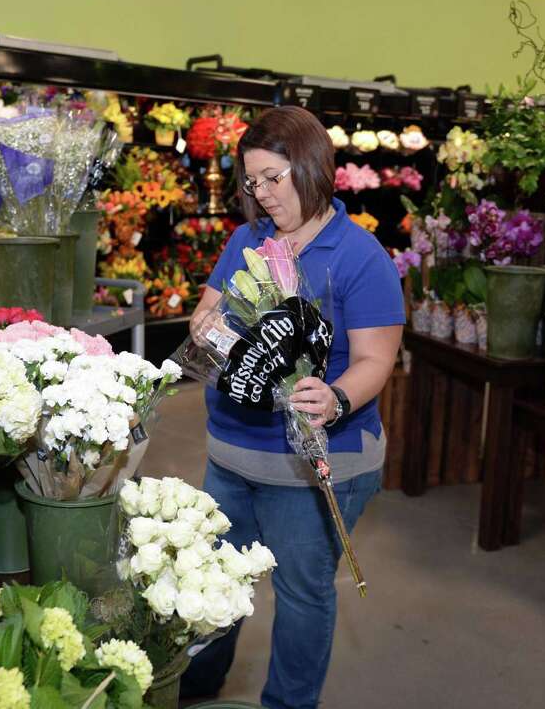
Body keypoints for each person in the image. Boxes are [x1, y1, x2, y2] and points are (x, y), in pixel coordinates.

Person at [182, 106, 404, 709]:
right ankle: (195, 686)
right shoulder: (246, 240)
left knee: (301, 594)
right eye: (252, 181)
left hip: (312, 466)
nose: (261, 193)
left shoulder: (359, 256)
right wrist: (209, 331)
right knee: (214, 583)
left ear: (310, 167)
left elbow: (376, 360)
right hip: (232, 455)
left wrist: (336, 396)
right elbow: (206, 315)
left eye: (273, 178)